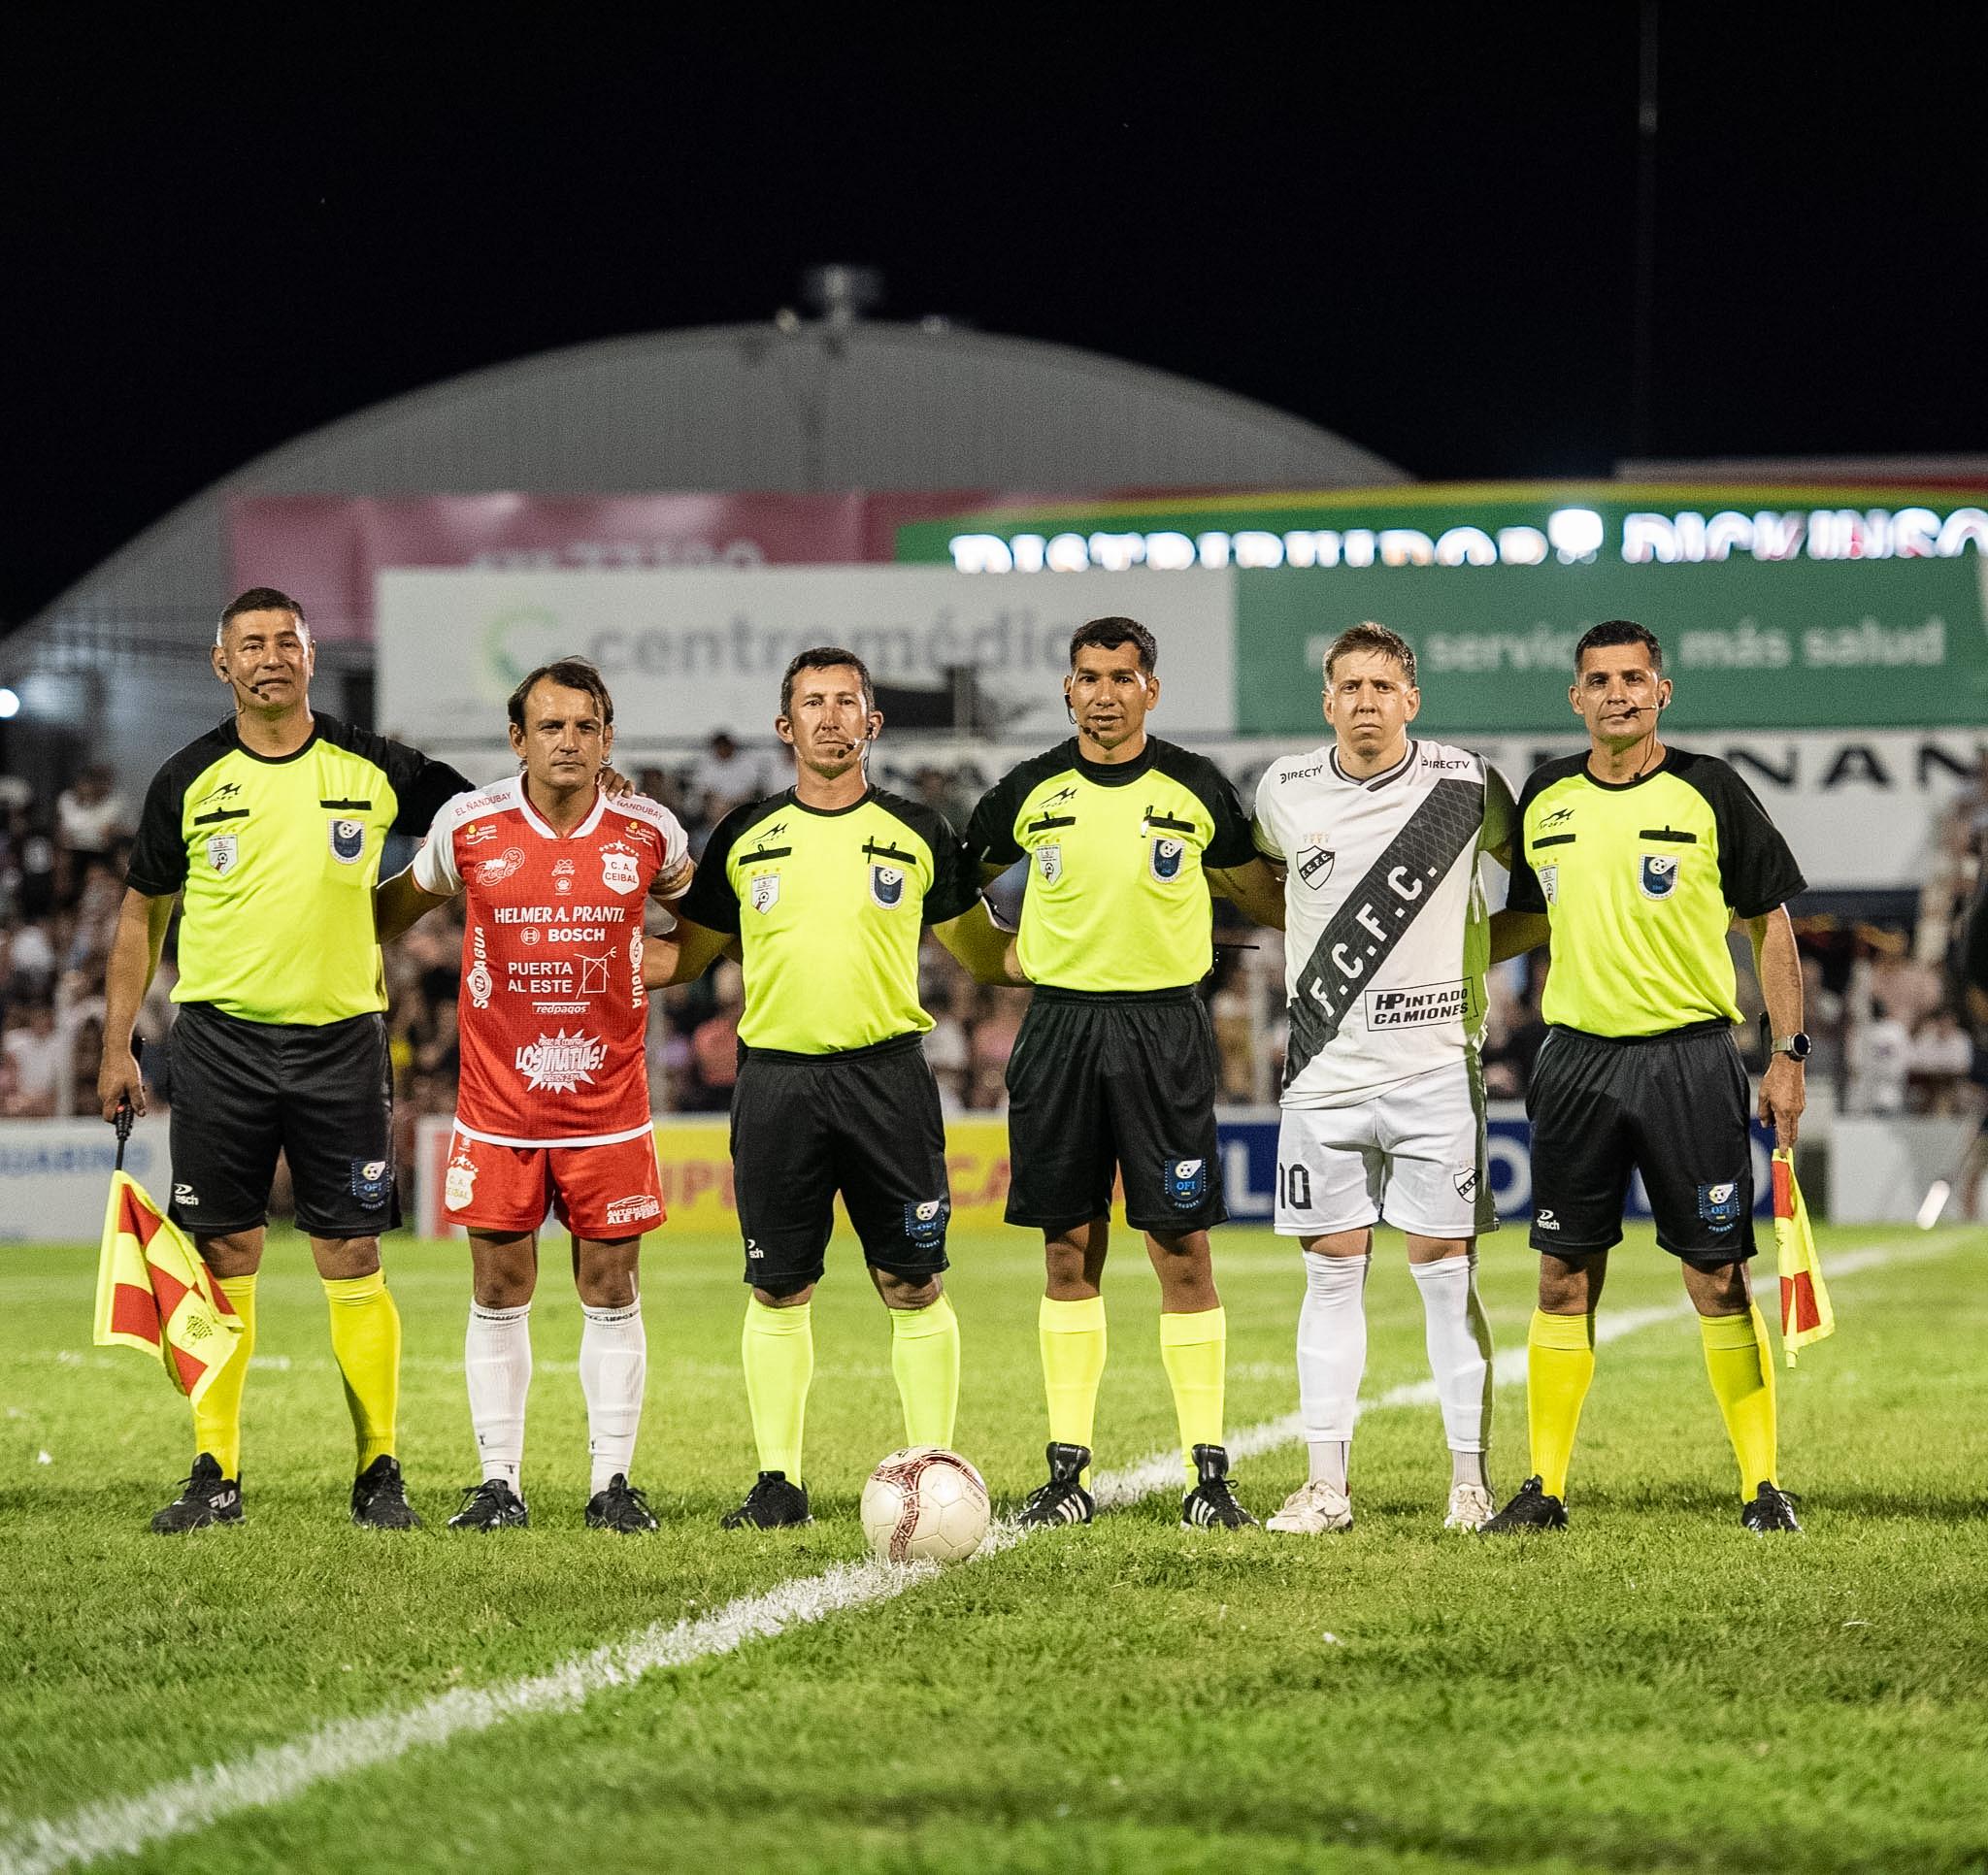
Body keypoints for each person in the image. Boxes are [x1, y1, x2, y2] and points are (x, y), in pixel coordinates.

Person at [98, 587, 473, 1531]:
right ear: (221, 664)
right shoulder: (186, 779)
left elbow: (477, 820)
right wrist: (115, 1043)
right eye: (250, 644)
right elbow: (139, 912)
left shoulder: (371, 765)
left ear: (311, 657)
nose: (270, 656)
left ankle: (378, 1471)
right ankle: (214, 1471)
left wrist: (397, 907)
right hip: (219, 1042)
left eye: (287, 642)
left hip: (342, 1039)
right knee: (226, 1249)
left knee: (349, 1251)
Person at [650, 646, 1011, 1529]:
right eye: (811, 703)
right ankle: (778, 1483)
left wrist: (1096, 946)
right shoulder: (741, 836)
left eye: (847, 702)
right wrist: (576, 941)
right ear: (785, 727)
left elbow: (986, 952)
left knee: (914, 1282)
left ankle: (937, 1469)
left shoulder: (922, 832)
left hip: (888, 1077)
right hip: (775, 1080)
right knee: (778, 1288)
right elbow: (683, 957)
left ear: (872, 724)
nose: (830, 716)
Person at [1480, 618, 1808, 1535]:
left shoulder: (1712, 790)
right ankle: (1544, 1488)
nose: (1617, 693)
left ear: (1663, 691)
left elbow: (1769, 926)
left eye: (1634, 678)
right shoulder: (1545, 797)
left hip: (1690, 1058)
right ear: (1575, 698)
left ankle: (1760, 1485)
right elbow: (1524, 927)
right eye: (1599, 680)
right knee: (1560, 1276)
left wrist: (1788, 1055)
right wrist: (1428, 953)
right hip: (1576, 1060)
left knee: (1717, 1278)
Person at [965, 615, 1285, 1530]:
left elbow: (1259, 890)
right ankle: (1068, 1473)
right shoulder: (1030, 789)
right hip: (1061, 1027)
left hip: (1162, 1030)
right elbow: (956, 880)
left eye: (1121, 677)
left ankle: (1209, 1471)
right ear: (1067, 689)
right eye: (1087, 677)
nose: (1103, 693)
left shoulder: (1194, 785)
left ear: (1151, 688)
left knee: (1180, 1247)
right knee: (1067, 1247)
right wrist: (1002, 960)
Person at [375, 657, 692, 1533]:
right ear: (518, 739)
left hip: (610, 1107)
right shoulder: (468, 825)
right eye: (550, 726)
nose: (569, 741)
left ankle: (611, 1484)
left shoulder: (649, 830)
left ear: (607, 738)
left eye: (586, 727)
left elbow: (700, 931)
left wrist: (636, 964)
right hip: (497, 1106)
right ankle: (499, 1483)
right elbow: (389, 912)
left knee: (611, 1282)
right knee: (499, 1284)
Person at [1250, 621, 1516, 1535]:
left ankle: (1470, 1485)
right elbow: (1261, 883)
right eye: (1349, 687)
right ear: (1327, 703)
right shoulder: (1282, 790)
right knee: (1330, 1274)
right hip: (1322, 1073)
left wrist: (1477, 962)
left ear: (1412, 699)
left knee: (1446, 1272)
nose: (1365, 702)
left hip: (1436, 1071)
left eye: (1382, 686)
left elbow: (1542, 889)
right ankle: (1326, 1486)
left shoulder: (1467, 783)